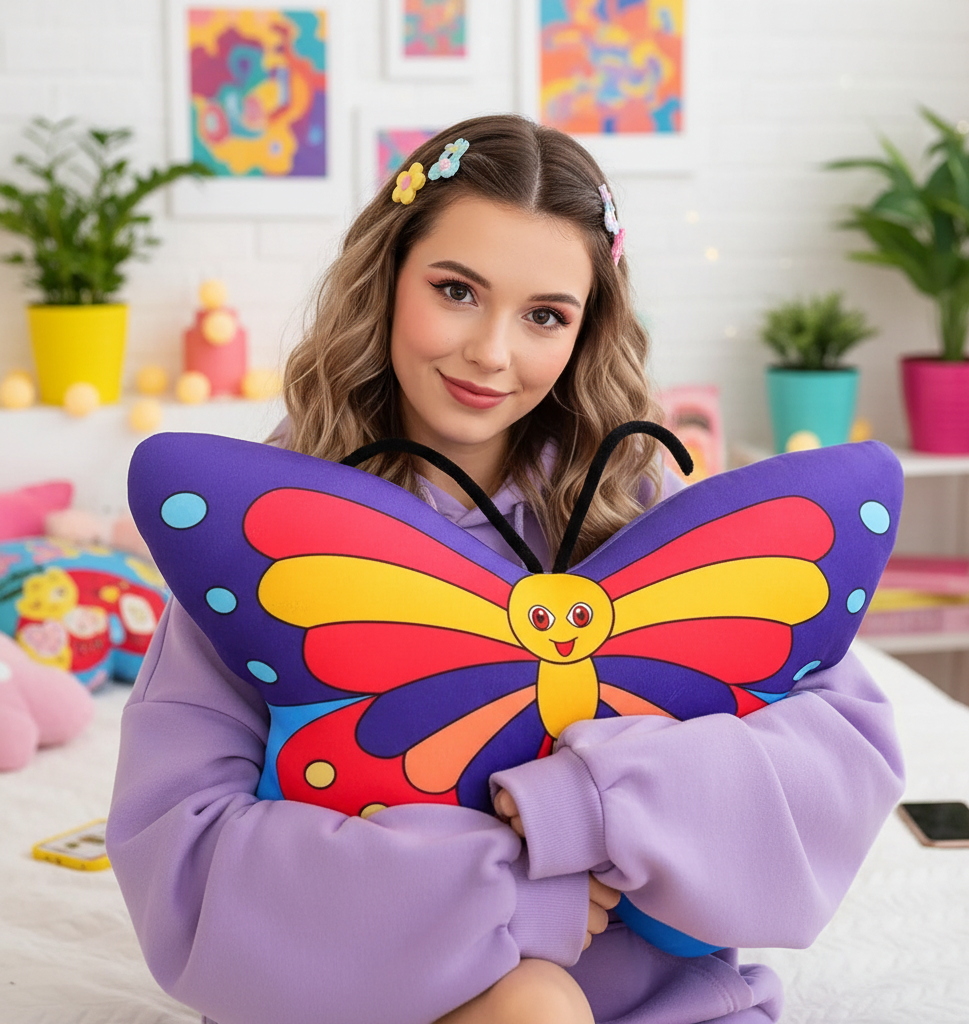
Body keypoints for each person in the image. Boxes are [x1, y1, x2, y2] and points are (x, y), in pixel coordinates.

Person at [107, 114, 904, 1024]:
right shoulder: (267, 528)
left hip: (656, 992)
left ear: (586, 329)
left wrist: (595, 802)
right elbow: (184, 844)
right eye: (456, 290)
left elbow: (834, 746)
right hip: (364, 994)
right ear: (388, 277)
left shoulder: (636, 499)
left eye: (545, 316)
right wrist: (505, 894)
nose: (491, 352)